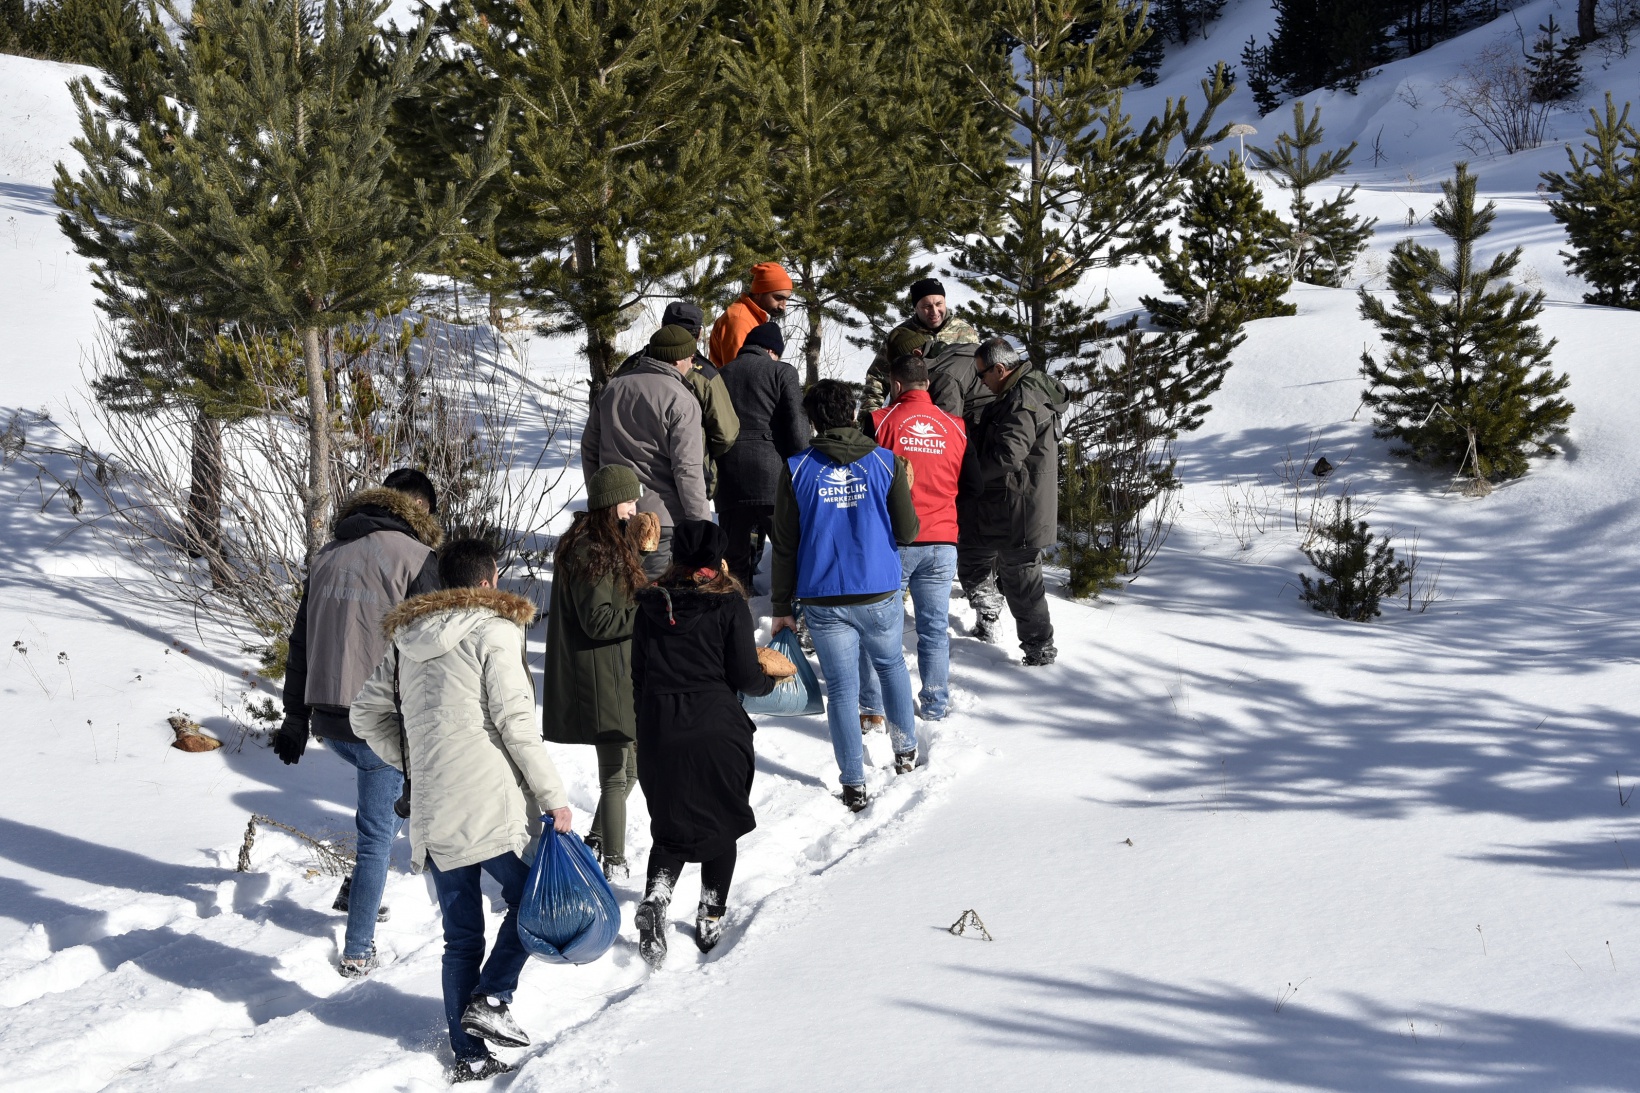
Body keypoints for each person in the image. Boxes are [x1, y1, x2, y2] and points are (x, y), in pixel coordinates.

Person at [351, 538, 572, 1084]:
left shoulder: (406, 640)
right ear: (488, 581)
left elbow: (364, 716)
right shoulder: (494, 630)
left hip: (435, 809)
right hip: (489, 803)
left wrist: (416, 760)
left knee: (461, 936)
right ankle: (492, 997)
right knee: (535, 901)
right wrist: (554, 797)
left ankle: (468, 1056)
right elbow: (516, 724)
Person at [273, 468, 442, 978]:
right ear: (420, 509)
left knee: (390, 814)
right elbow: (435, 651)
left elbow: (300, 639)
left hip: (328, 716)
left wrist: (295, 717)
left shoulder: (327, 555)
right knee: (375, 839)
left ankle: (358, 892)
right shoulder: (417, 559)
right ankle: (358, 950)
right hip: (382, 722)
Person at [630, 520, 776, 968]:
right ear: (716, 559)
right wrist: (769, 681)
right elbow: (745, 676)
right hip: (716, 729)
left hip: (660, 729)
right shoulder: (728, 604)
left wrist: (648, 729)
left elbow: (638, 679)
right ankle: (710, 916)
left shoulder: (650, 606)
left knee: (670, 824)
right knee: (721, 823)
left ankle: (657, 898)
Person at [770, 380, 920, 811]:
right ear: (853, 414)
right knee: (891, 666)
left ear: (813, 421)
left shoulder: (797, 468)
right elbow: (909, 532)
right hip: (878, 590)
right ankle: (905, 752)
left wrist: (781, 606)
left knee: (841, 689)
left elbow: (784, 545)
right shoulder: (886, 462)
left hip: (823, 595)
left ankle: (853, 782)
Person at [542, 466, 648, 881]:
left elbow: (614, 597)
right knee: (616, 775)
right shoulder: (592, 550)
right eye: (629, 501)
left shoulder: (604, 543)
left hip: (616, 673)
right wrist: (647, 611)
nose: (635, 509)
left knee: (630, 771)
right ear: (611, 503)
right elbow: (599, 620)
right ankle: (614, 862)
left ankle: (596, 843)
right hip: (601, 677)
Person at [857, 354, 967, 726]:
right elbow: (971, 483)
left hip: (894, 540)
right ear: (928, 385)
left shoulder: (880, 420)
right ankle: (935, 705)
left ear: (895, 384)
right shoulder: (956, 427)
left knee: (878, 626)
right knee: (934, 628)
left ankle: (873, 707)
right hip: (942, 539)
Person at [962, 337, 1069, 666]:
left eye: (982, 374)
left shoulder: (1022, 398)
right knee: (973, 555)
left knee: (1021, 580)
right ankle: (990, 617)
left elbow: (1009, 454)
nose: (980, 382)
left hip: (1020, 508)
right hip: (1007, 504)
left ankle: (1039, 652)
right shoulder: (1020, 391)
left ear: (999, 369)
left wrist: (970, 474)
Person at [583, 324, 711, 578]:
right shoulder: (681, 399)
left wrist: (600, 500)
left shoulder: (612, 388)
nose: (692, 365)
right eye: (692, 359)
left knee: (617, 592)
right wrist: (702, 526)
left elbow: (589, 449)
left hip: (612, 517)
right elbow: (687, 468)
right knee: (652, 594)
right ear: (677, 360)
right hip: (660, 521)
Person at [715, 320, 809, 591]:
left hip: (728, 476)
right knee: (788, 548)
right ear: (771, 350)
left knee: (734, 558)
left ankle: (737, 606)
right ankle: (790, 604)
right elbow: (797, 425)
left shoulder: (719, 375)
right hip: (772, 477)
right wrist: (802, 467)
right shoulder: (782, 372)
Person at [616, 302, 740, 498]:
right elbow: (726, 434)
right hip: (686, 482)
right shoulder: (705, 374)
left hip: (627, 482)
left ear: (662, 326)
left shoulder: (630, 366)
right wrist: (701, 451)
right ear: (699, 334)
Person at [859, 277, 979, 422]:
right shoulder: (901, 336)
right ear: (916, 308)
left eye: (939, 304)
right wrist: (869, 421)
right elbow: (877, 380)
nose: (934, 311)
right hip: (908, 417)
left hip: (955, 415)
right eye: (927, 306)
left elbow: (978, 376)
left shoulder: (965, 332)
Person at [708, 262, 793, 367]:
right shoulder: (740, 321)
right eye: (778, 298)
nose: (783, 306)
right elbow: (739, 370)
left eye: (786, 299)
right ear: (758, 293)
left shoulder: (754, 317)